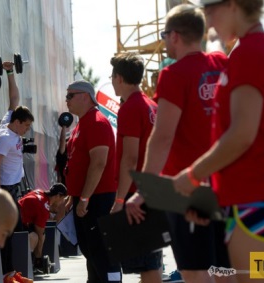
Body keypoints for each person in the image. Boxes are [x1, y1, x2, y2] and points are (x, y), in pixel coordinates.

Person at [173, 1, 264, 282]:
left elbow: (242, 134)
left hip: (255, 204)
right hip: (257, 201)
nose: (207, 20)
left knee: (258, 280)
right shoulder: (263, 49)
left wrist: (194, 175)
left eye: (210, 10)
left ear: (233, 5)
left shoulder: (251, 52)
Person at [125, 4, 231, 283]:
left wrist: (143, 190)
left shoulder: (174, 75)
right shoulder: (222, 63)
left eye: (164, 33)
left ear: (174, 36)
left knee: (195, 269)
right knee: (224, 265)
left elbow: (162, 137)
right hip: (224, 182)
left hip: (185, 187)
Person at [108, 53, 161, 283]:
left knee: (146, 266)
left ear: (119, 77)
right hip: (152, 190)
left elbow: (130, 157)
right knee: (150, 262)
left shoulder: (130, 108)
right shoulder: (151, 105)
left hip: (136, 195)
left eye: (112, 76)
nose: (111, 81)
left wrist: (119, 200)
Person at [64, 79, 122, 283]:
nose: (66, 100)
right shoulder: (84, 123)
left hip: (98, 199)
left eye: (70, 95)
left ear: (85, 96)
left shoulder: (96, 122)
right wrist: (75, 196)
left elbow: (99, 163)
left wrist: (85, 197)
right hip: (89, 198)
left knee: (104, 253)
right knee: (92, 252)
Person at [0, 62, 34, 276]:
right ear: (17, 122)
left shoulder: (10, 122)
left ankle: (11, 272)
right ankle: (8, 273)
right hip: (6, 188)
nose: (27, 130)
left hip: (14, 186)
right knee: (9, 230)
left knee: (17, 228)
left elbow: (14, 99)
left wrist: (9, 73)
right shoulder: (6, 138)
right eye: (25, 125)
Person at [18, 183, 67, 272]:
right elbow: (40, 235)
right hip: (16, 222)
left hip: (16, 217)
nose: (61, 203)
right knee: (35, 237)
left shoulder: (39, 192)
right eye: (62, 199)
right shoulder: (43, 207)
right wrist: (39, 258)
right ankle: (29, 264)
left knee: (38, 234)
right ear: (58, 196)